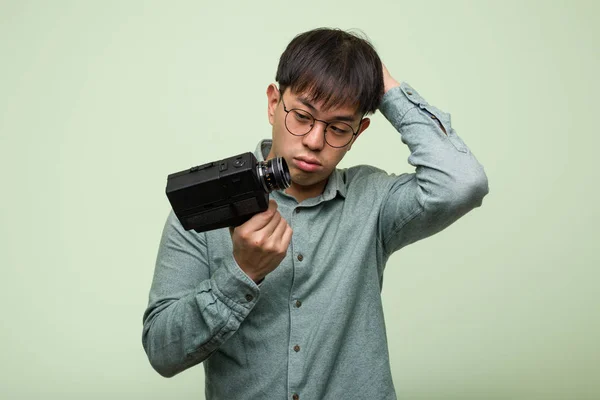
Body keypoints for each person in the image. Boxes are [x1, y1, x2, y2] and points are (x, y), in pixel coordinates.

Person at [142, 27, 489, 399]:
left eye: (339, 128)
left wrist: (385, 87)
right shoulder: (204, 209)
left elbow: (462, 181)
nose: (314, 141)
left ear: (358, 133)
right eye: (303, 117)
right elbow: (163, 352)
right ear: (274, 103)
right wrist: (241, 273)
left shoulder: (371, 200)